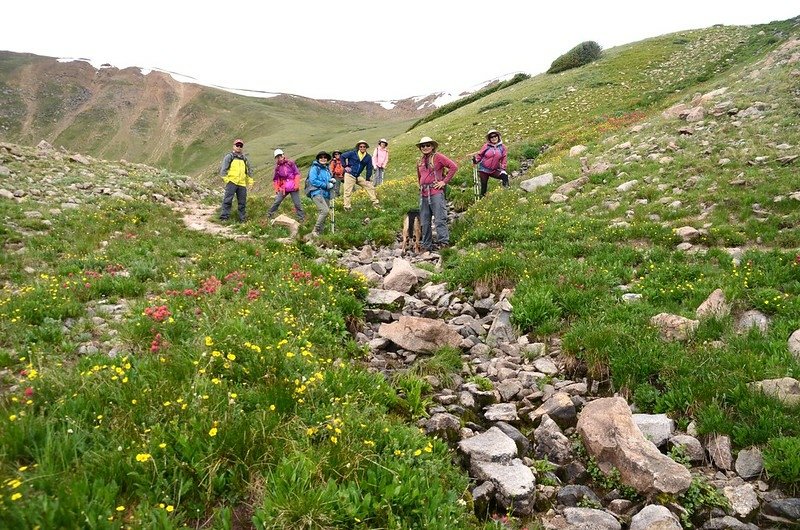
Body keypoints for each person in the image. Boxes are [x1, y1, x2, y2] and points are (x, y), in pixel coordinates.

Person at [416, 136, 458, 251]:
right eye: (422, 146)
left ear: (432, 146)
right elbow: (419, 176)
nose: (425, 147)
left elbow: (453, 167)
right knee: (425, 221)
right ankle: (426, 245)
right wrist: (420, 185)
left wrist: (443, 182)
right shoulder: (419, 161)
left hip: (436, 192)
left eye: (427, 145)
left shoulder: (438, 157)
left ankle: (444, 243)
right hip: (423, 194)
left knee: (440, 219)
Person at [218, 138, 253, 222]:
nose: (239, 147)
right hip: (232, 182)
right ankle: (224, 217)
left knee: (242, 202)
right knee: (227, 200)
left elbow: (248, 171)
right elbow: (223, 170)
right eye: (237, 145)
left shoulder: (244, 159)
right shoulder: (229, 157)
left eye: (241, 146)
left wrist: (250, 182)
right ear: (233, 146)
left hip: (242, 184)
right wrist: (228, 180)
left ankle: (242, 219)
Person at [340, 140, 380, 211]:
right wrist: (345, 166)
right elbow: (342, 156)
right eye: (361, 146)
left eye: (364, 147)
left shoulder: (368, 157)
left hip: (358, 176)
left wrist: (367, 179)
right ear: (358, 147)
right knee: (347, 191)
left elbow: (369, 168)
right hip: (350, 174)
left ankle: (375, 203)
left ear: (366, 148)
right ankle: (347, 207)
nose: (362, 148)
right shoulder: (352, 153)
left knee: (370, 186)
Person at [267, 149, 305, 222]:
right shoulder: (277, 168)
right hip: (284, 188)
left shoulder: (290, 163)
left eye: (280, 156)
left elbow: (297, 174)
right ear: (276, 158)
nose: (279, 157)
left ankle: (301, 219)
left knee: (297, 203)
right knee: (277, 201)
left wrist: (296, 184)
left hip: (293, 187)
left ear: (283, 155)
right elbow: (276, 179)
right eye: (277, 157)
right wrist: (276, 188)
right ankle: (269, 214)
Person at [471, 129, 509, 198]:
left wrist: (503, 168)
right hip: (483, 169)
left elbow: (504, 158)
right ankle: (482, 200)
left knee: (504, 176)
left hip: (494, 170)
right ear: (489, 139)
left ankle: (506, 194)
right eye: (491, 137)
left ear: (498, 136)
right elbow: (480, 155)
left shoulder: (503, 147)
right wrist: (475, 160)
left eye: (495, 136)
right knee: (484, 186)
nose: (494, 138)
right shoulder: (486, 146)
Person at [306, 151, 336, 237]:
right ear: (318, 159)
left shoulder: (326, 169)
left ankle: (320, 234)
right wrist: (326, 185)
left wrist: (331, 180)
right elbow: (313, 180)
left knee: (322, 212)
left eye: (325, 157)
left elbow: (326, 179)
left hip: (325, 194)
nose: (323, 159)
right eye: (321, 157)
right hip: (316, 192)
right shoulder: (315, 168)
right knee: (325, 211)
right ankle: (315, 230)